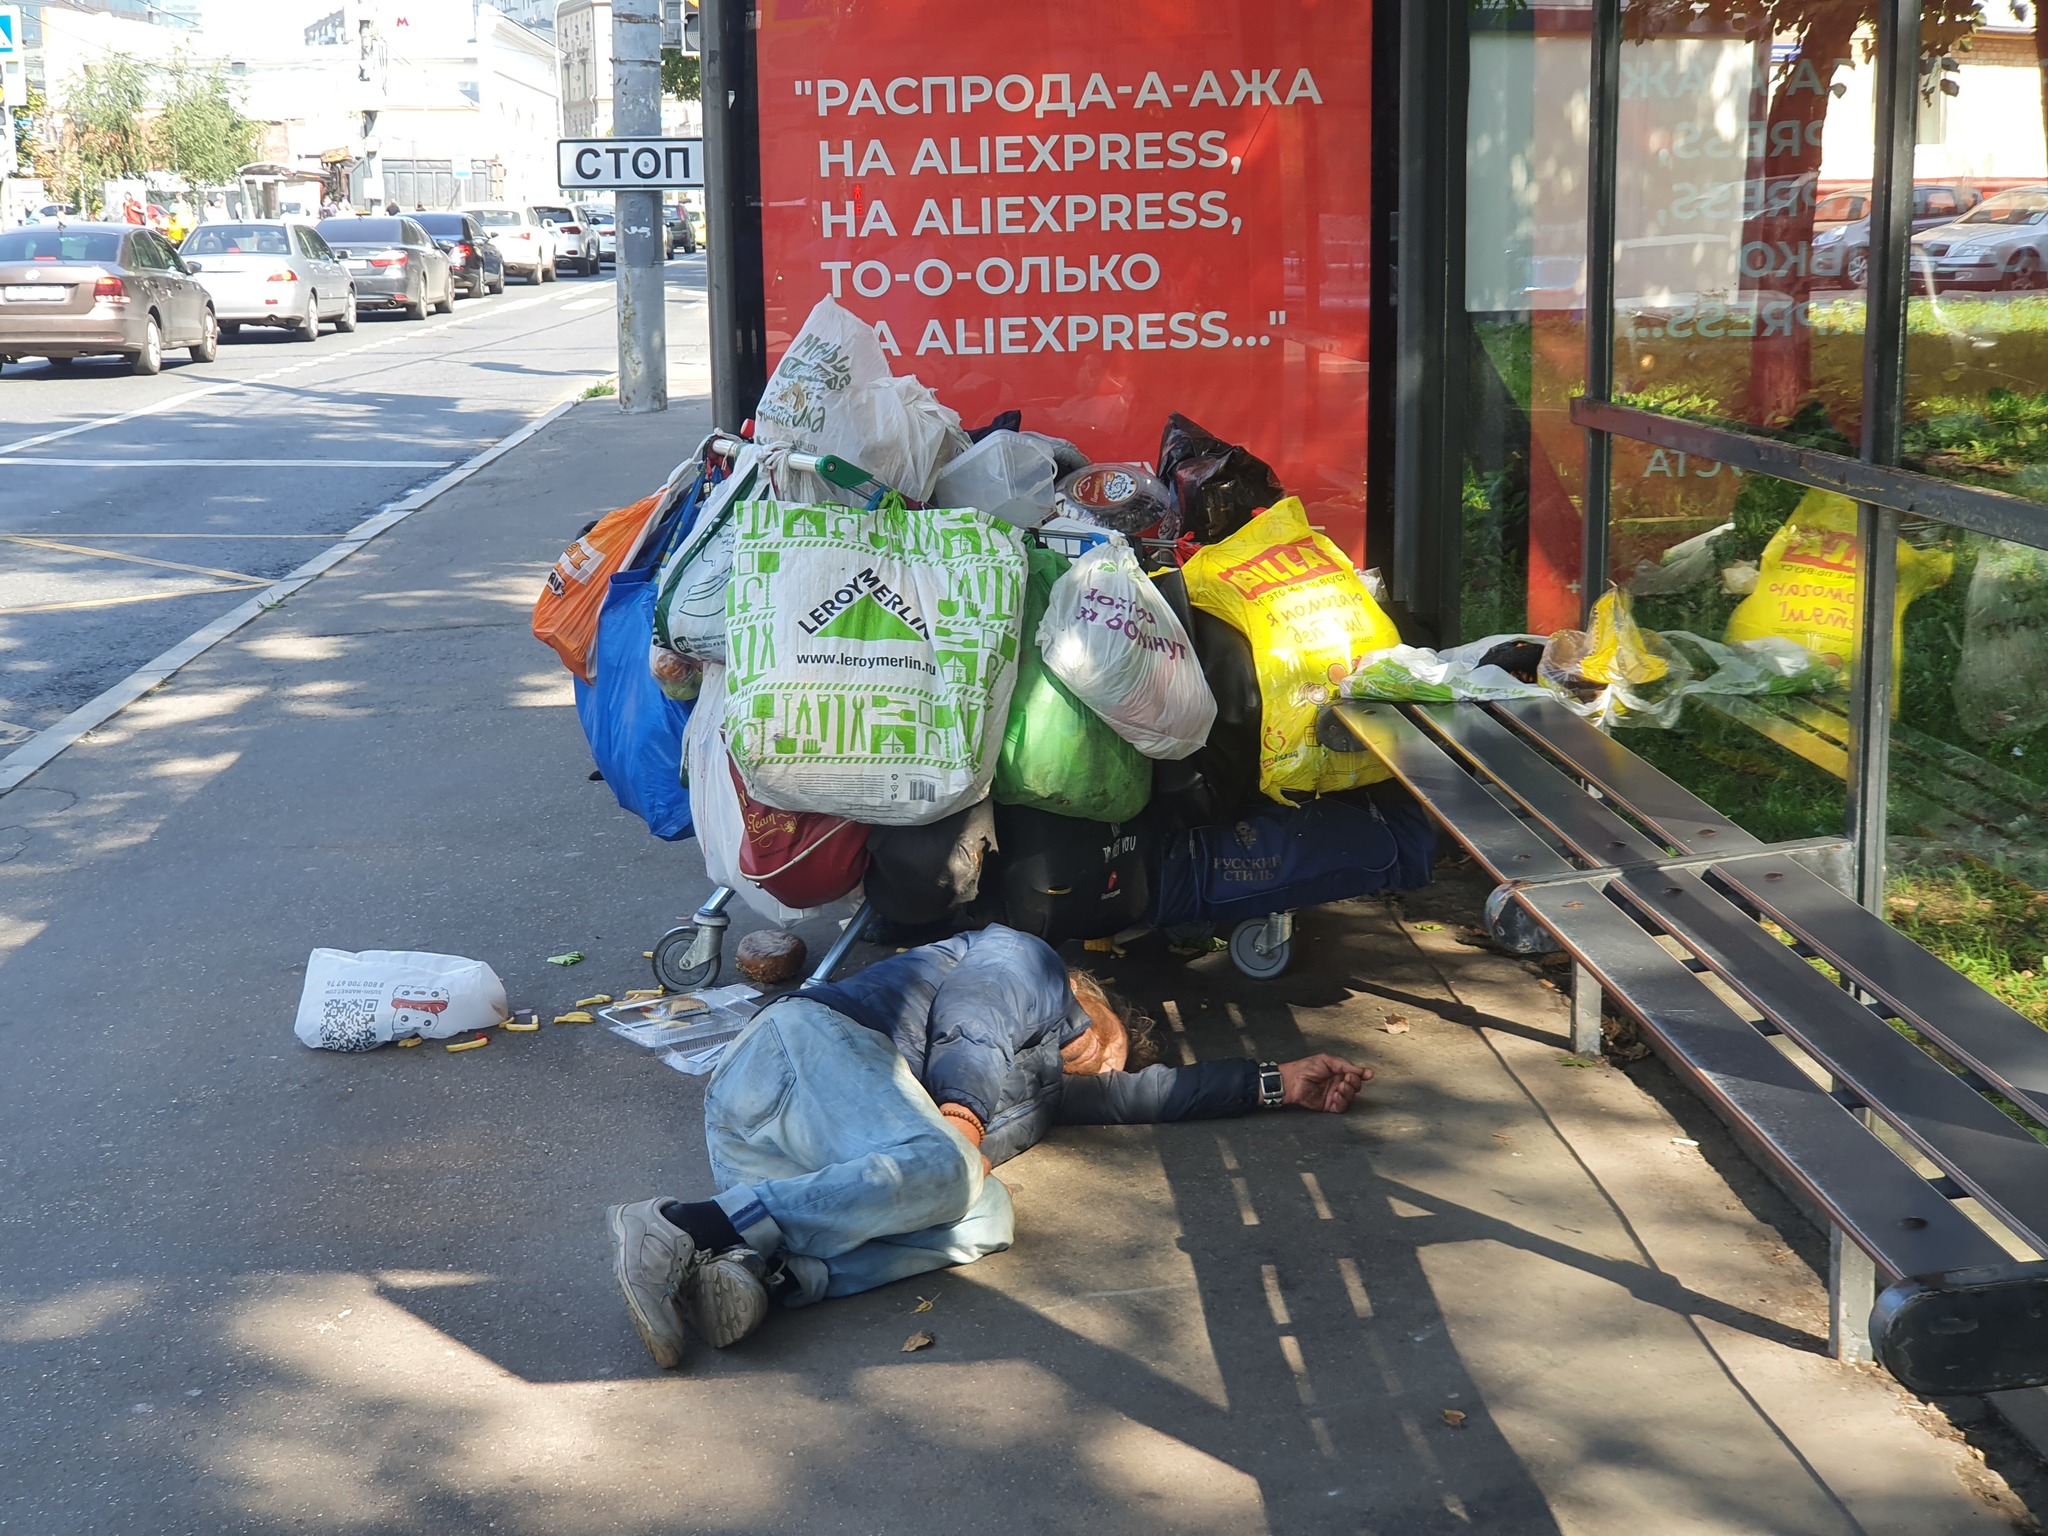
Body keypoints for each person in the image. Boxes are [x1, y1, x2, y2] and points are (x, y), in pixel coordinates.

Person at [608, 925, 1370, 1369]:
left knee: (987, 1216)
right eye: (1112, 1044)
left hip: (798, 1146)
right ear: (1089, 1001)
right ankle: (681, 1225)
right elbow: (978, 1013)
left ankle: (763, 1274)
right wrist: (964, 1121)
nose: (1111, 1064)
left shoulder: (1040, 1084)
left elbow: (1153, 1094)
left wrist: (1275, 1080)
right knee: (951, 1168)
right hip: (799, 1054)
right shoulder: (1024, 959)